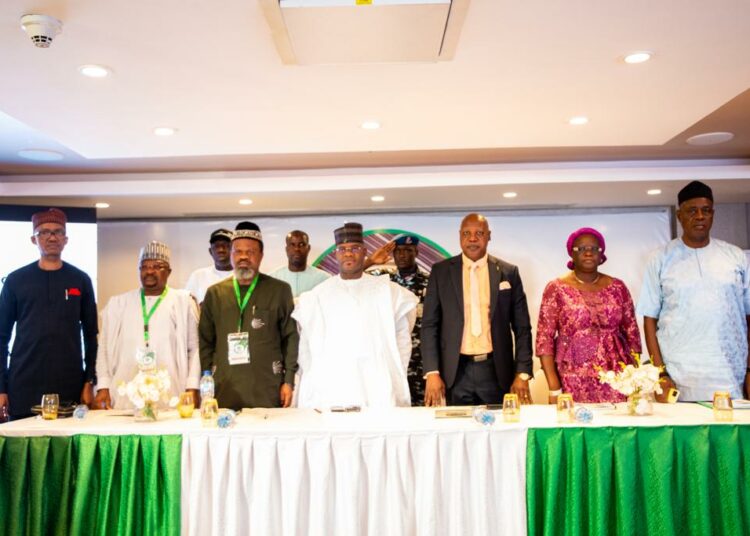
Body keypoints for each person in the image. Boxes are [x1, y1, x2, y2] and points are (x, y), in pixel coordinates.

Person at [638, 180, 750, 401]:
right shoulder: (661, 258)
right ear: (680, 216)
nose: (700, 216)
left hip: (729, 371)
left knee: (730, 434)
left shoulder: (735, 256)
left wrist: (749, 370)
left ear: (712, 214)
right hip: (679, 372)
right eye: (692, 211)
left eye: (706, 210)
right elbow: (649, 319)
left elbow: (748, 315)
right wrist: (659, 372)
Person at [293, 223, 418, 409]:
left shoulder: (388, 292)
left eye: (355, 248)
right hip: (332, 387)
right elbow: (306, 349)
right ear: (336, 254)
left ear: (364, 251)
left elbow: (403, 338)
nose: (348, 253)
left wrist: (392, 372)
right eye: (342, 249)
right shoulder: (318, 296)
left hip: (376, 387)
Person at [421, 213, 533, 406]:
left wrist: (522, 373)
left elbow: (522, 327)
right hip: (454, 373)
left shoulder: (508, 272)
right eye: (466, 233)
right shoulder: (441, 272)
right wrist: (432, 372)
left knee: (498, 432)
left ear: (489, 235)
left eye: (479, 233)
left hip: (496, 371)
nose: (472, 239)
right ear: (459, 236)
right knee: (457, 433)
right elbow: (430, 325)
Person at [0, 208, 98, 419]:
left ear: (66, 239)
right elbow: (1, 337)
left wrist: (89, 381)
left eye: (58, 232)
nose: (52, 237)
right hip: (23, 382)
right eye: (44, 232)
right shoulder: (15, 280)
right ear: (34, 239)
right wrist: (1, 388)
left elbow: (91, 335)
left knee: (66, 448)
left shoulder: (80, 280)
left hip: (69, 382)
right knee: (23, 448)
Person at [199, 222, 298, 409]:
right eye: (237, 251)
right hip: (224, 386)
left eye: (250, 252)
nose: (243, 256)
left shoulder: (279, 290)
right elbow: (205, 341)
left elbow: (290, 337)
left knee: (267, 436)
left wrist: (289, 380)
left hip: (267, 386)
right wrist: (206, 379)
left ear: (261, 255)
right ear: (231, 254)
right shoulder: (215, 293)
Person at [536, 228, 641, 403]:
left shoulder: (618, 287)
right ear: (571, 253)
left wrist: (635, 378)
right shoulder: (556, 288)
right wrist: (554, 387)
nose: (588, 253)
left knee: (615, 426)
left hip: (617, 375)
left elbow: (632, 334)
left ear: (601, 255)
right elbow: (544, 339)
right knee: (577, 426)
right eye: (581, 248)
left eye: (594, 249)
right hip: (572, 375)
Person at [94, 241, 201, 409]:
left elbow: (194, 348)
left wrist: (192, 386)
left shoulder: (182, 302)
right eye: (144, 267)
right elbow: (104, 348)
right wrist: (103, 386)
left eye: (158, 266)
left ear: (169, 272)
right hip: (125, 392)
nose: (150, 271)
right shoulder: (118, 304)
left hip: (171, 394)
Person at [366, 234, 429, 406]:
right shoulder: (382, 280)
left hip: (421, 364)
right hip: (391, 362)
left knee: (422, 416)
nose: (402, 255)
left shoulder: (430, 283)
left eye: (408, 250)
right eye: (398, 251)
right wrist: (371, 261)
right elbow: (352, 278)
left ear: (416, 252)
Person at [268, 230, 330, 301]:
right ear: (287, 249)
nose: (297, 249)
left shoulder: (324, 279)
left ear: (308, 248)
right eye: (292, 245)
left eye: (301, 245)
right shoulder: (273, 279)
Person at [185, 228, 234, 304]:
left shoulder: (243, 275)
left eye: (226, 245)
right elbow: (187, 305)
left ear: (234, 250)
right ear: (210, 251)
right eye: (217, 246)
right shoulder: (198, 275)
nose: (221, 250)